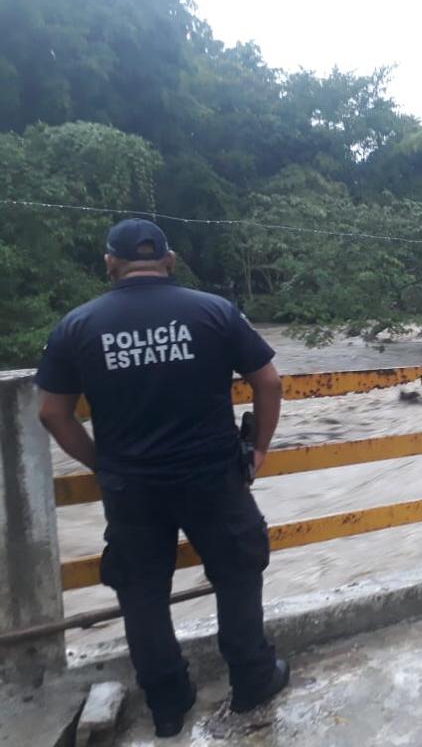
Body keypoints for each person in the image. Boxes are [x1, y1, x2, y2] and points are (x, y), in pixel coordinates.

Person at [35, 219, 289, 737]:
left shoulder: (78, 326)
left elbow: (52, 413)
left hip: (131, 487)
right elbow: (269, 382)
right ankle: (251, 678)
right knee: (238, 572)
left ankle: (168, 703)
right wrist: (259, 448)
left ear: (110, 263)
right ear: (169, 261)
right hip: (213, 477)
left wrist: (101, 464)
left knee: (142, 591)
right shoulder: (214, 311)